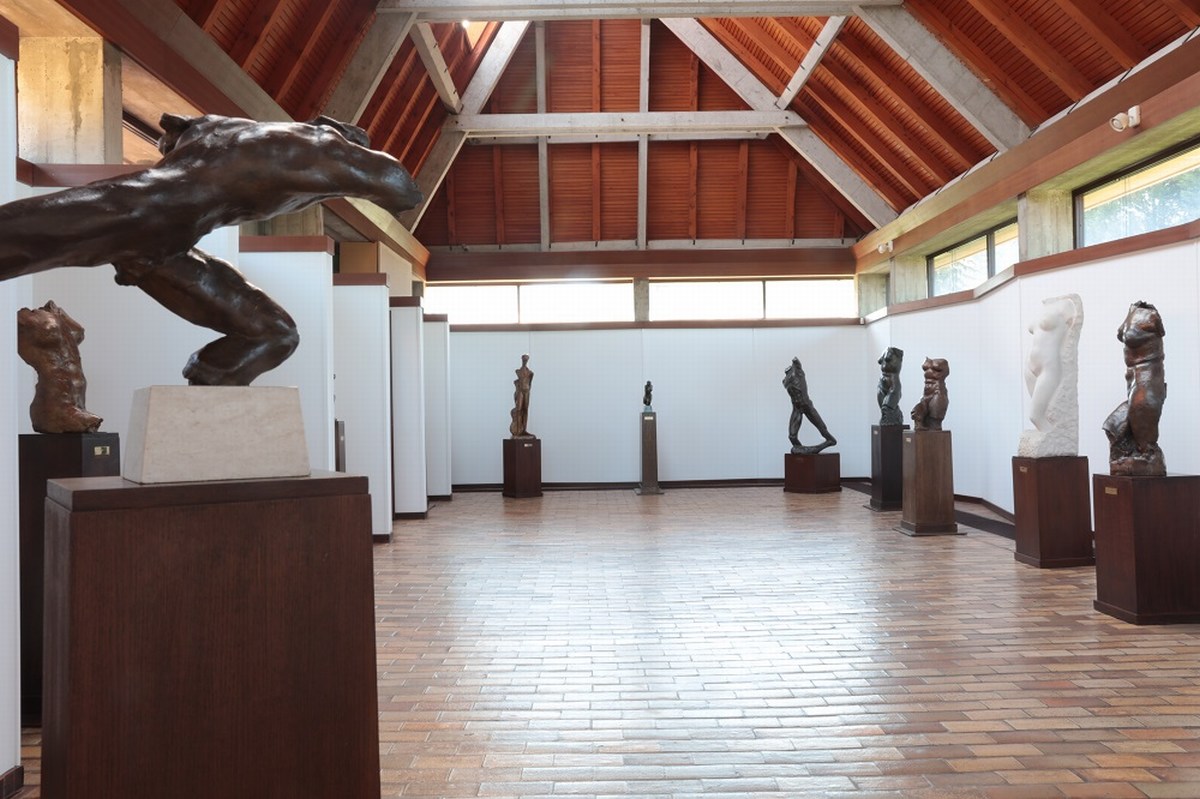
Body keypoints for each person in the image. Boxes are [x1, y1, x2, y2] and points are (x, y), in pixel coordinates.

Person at [0, 112, 423, 385]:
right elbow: (401, 188)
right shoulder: (313, 147)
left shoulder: (228, 129)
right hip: (142, 211)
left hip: (167, 242)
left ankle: (206, 410)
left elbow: (180, 131)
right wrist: (348, 161)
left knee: (273, 334)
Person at [783, 356, 836, 454]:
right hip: (796, 409)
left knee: (822, 429)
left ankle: (830, 441)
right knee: (792, 436)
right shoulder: (784, 379)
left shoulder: (797, 368)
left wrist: (795, 360)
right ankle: (800, 451)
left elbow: (796, 360)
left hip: (806, 405)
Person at [509, 354, 534, 438]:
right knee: (519, 409)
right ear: (522, 360)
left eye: (526, 360)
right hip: (520, 391)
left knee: (525, 410)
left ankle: (524, 430)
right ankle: (518, 431)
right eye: (524, 359)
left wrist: (527, 390)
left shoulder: (530, 373)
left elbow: (530, 384)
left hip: (526, 391)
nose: (525, 361)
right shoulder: (518, 371)